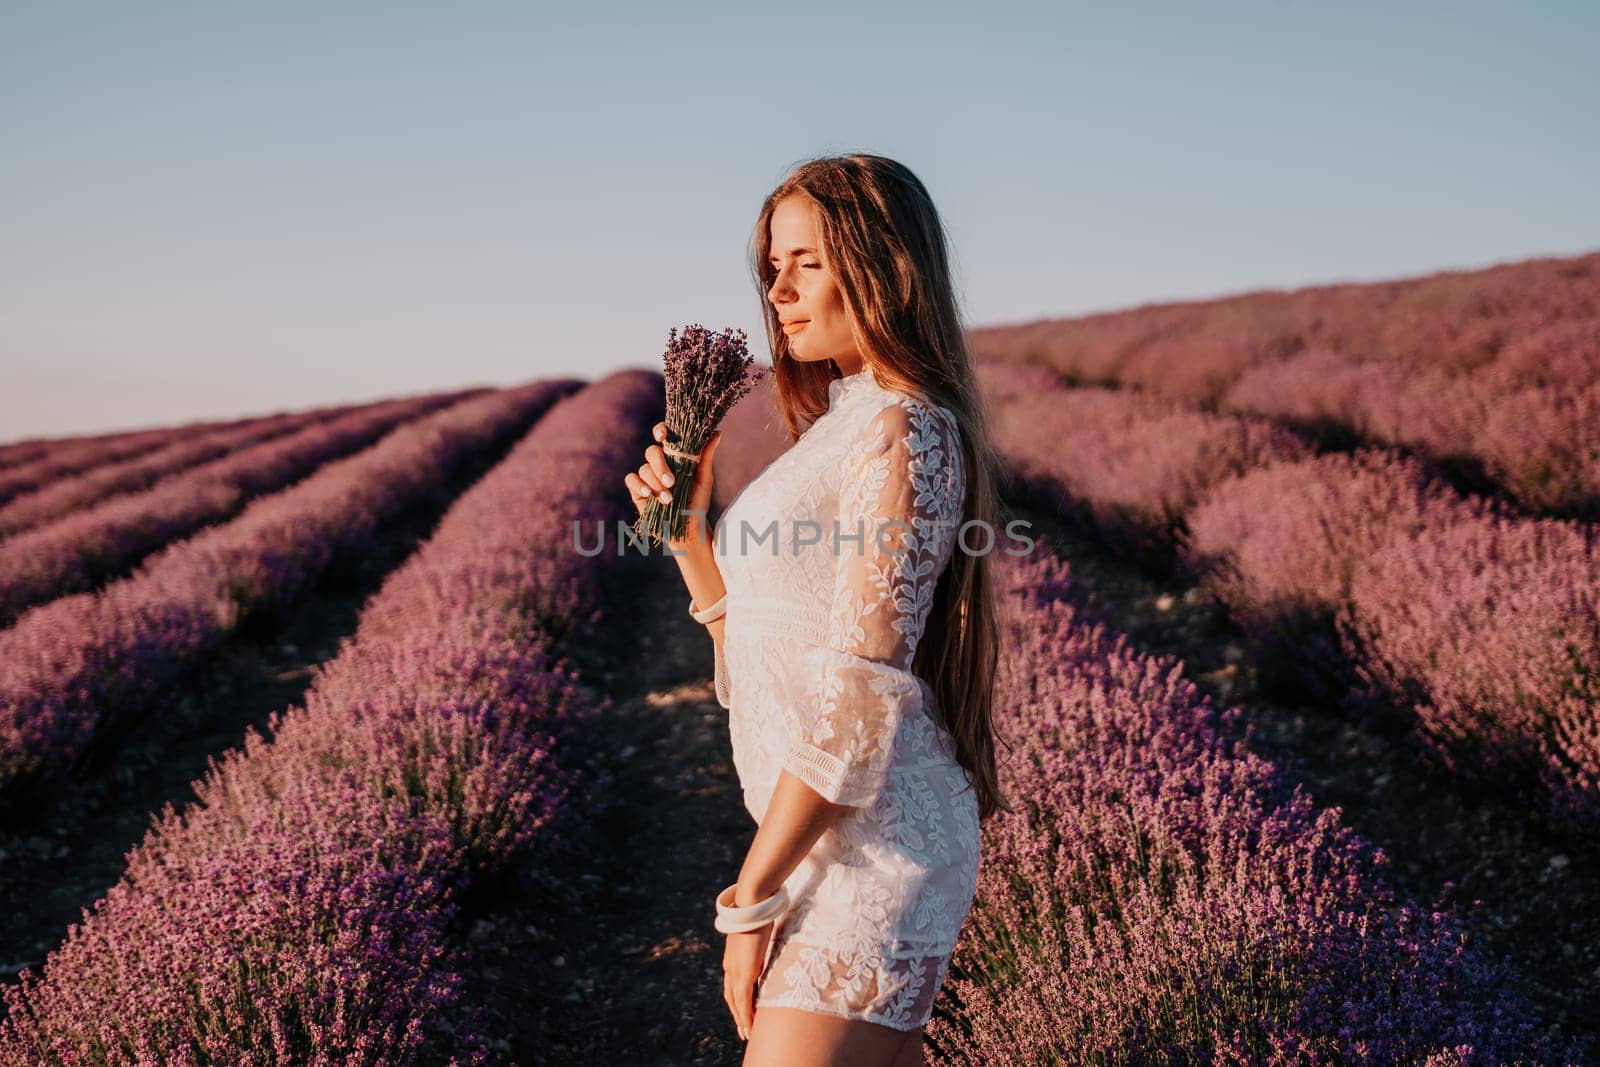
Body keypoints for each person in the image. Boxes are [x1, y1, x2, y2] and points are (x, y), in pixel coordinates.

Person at [626, 153, 1013, 1067]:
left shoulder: (905, 427)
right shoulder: (844, 421)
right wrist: (690, 540)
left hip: (874, 849)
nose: (778, 287)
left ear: (882, 265)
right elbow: (769, 662)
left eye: (805, 260)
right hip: (817, 836)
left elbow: (858, 696)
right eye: (772, 263)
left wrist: (747, 897)